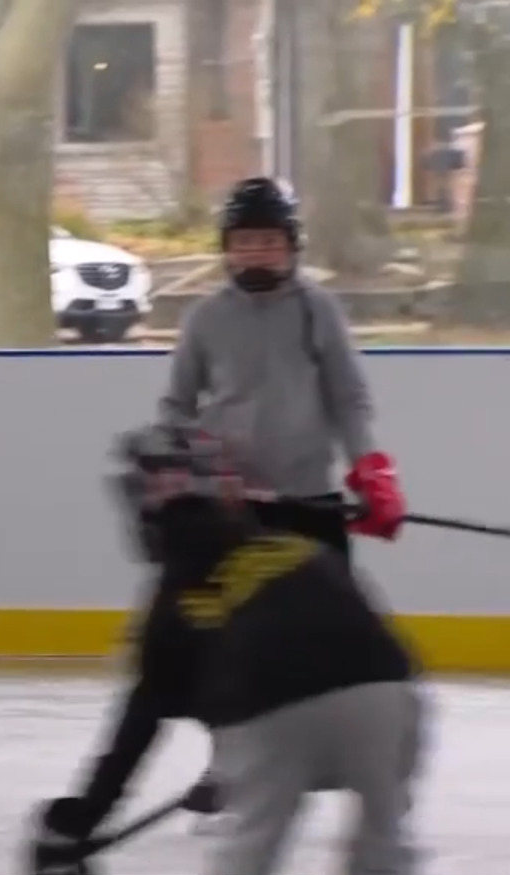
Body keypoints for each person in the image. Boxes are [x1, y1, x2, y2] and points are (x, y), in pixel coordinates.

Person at [28, 424, 430, 875]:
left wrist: (72, 826)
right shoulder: (298, 550)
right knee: (380, 856)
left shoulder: (174, 598)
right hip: (387, 690)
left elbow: (142, 724)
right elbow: (311, 642)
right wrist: (232, 761)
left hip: (268, 716)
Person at [157, 175, 408, 828]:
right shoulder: (206, 319)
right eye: (245, 242)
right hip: (236, 513)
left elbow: (349, 399)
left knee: (343, 634)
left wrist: (370, 470)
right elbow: (175, 409)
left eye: (269, 241)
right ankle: (229, 762)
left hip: (309, 502)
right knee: (230, 645)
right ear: (227, 249)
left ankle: (372, 761)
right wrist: (203, 467)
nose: (257, 253)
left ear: (291, 246)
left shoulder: (315, 309)